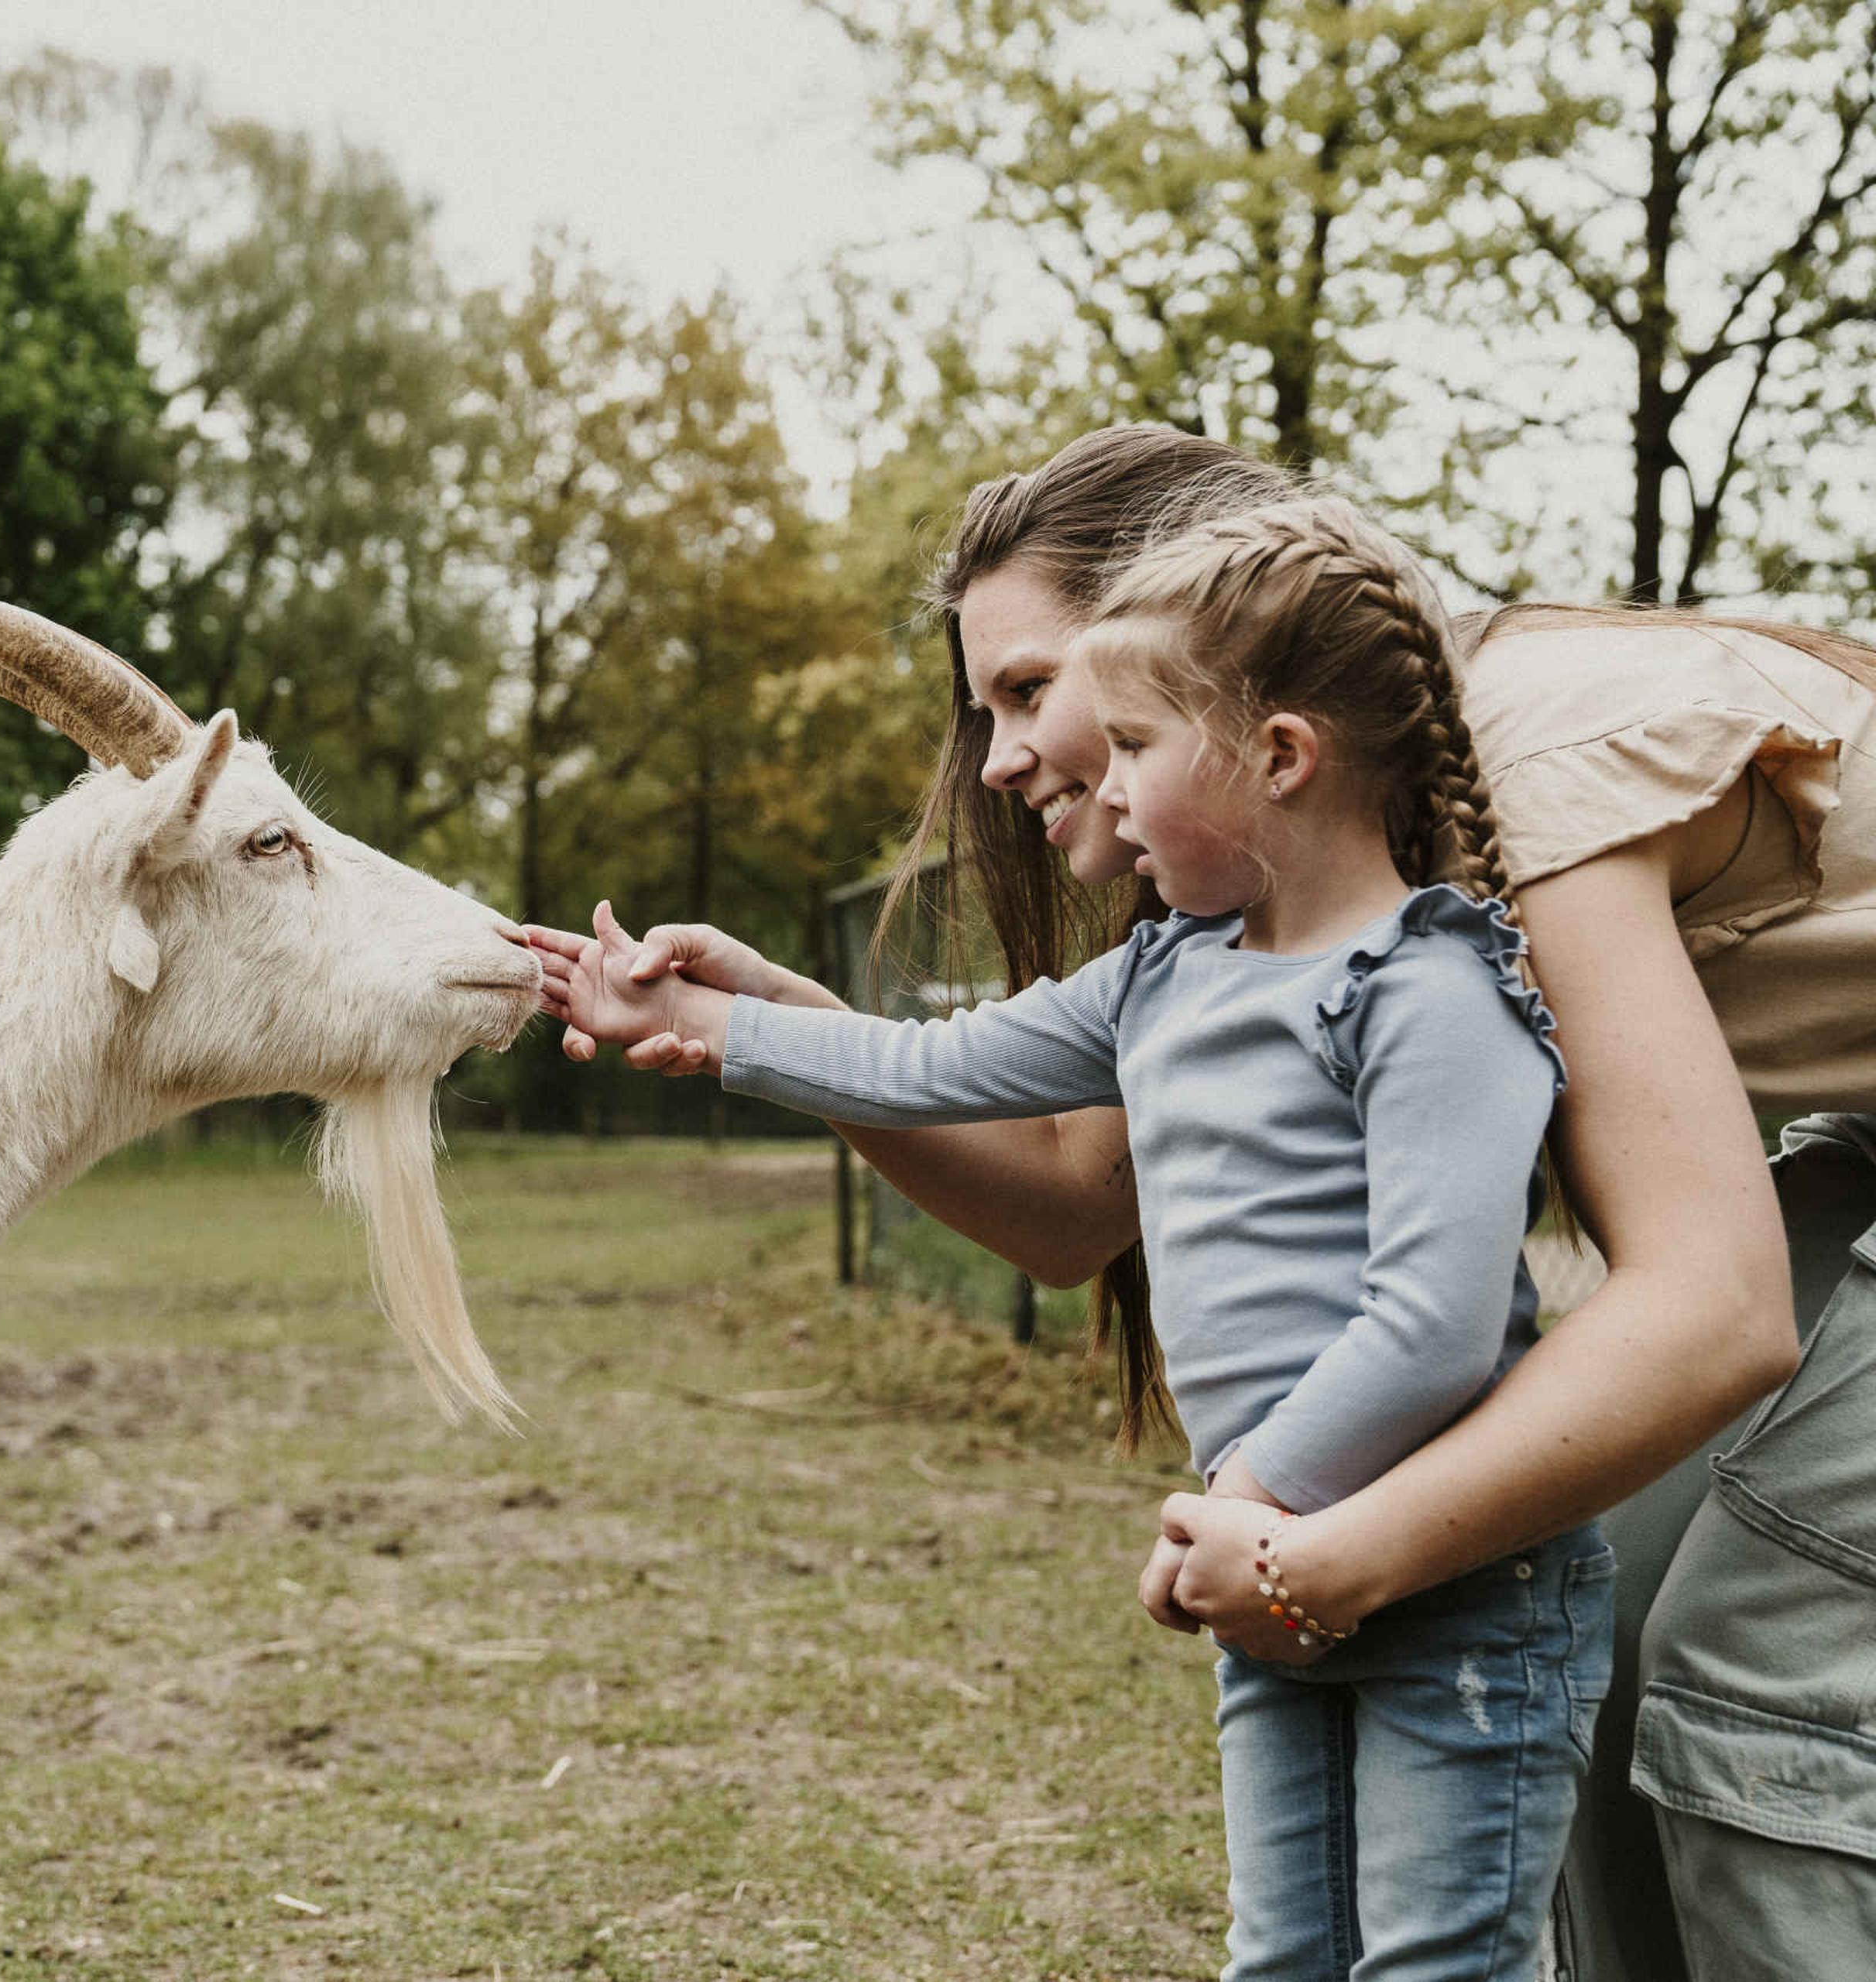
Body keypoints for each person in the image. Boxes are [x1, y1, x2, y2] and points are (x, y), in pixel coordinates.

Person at [531, 423, 1876, 1980]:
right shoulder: (1274, 908)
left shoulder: (1511, 796)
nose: (1005, 759)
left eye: (1032, 690)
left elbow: (1709, 1312)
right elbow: (1069, 1200)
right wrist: (763, 1027)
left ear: (1212, 651)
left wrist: (1317, 1543)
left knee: (1741, 1665)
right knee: (1607, 1628)